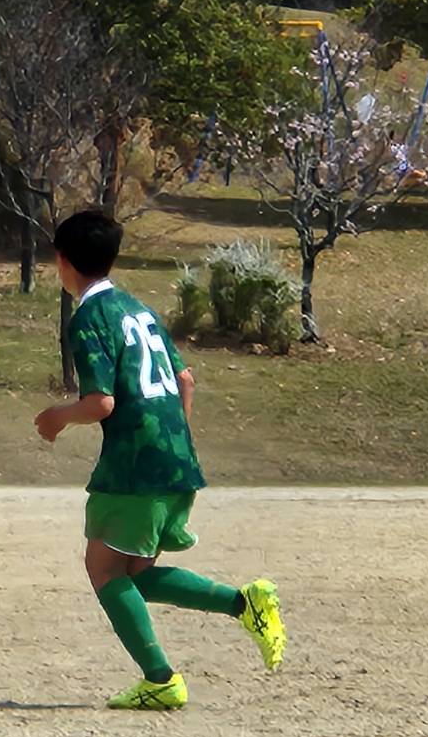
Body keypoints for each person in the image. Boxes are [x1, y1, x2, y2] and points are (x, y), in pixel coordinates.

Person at [34, 210, 286, 711]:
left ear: (62, 261)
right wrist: (174, 439)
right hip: (177, 457)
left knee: (104, 570)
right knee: (130, 574)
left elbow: (100, 402)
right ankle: (245, 604)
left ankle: (162, 678)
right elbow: (185, 380)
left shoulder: (89, 316)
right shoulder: (137, 308)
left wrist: (55, 418)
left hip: (135, 464)